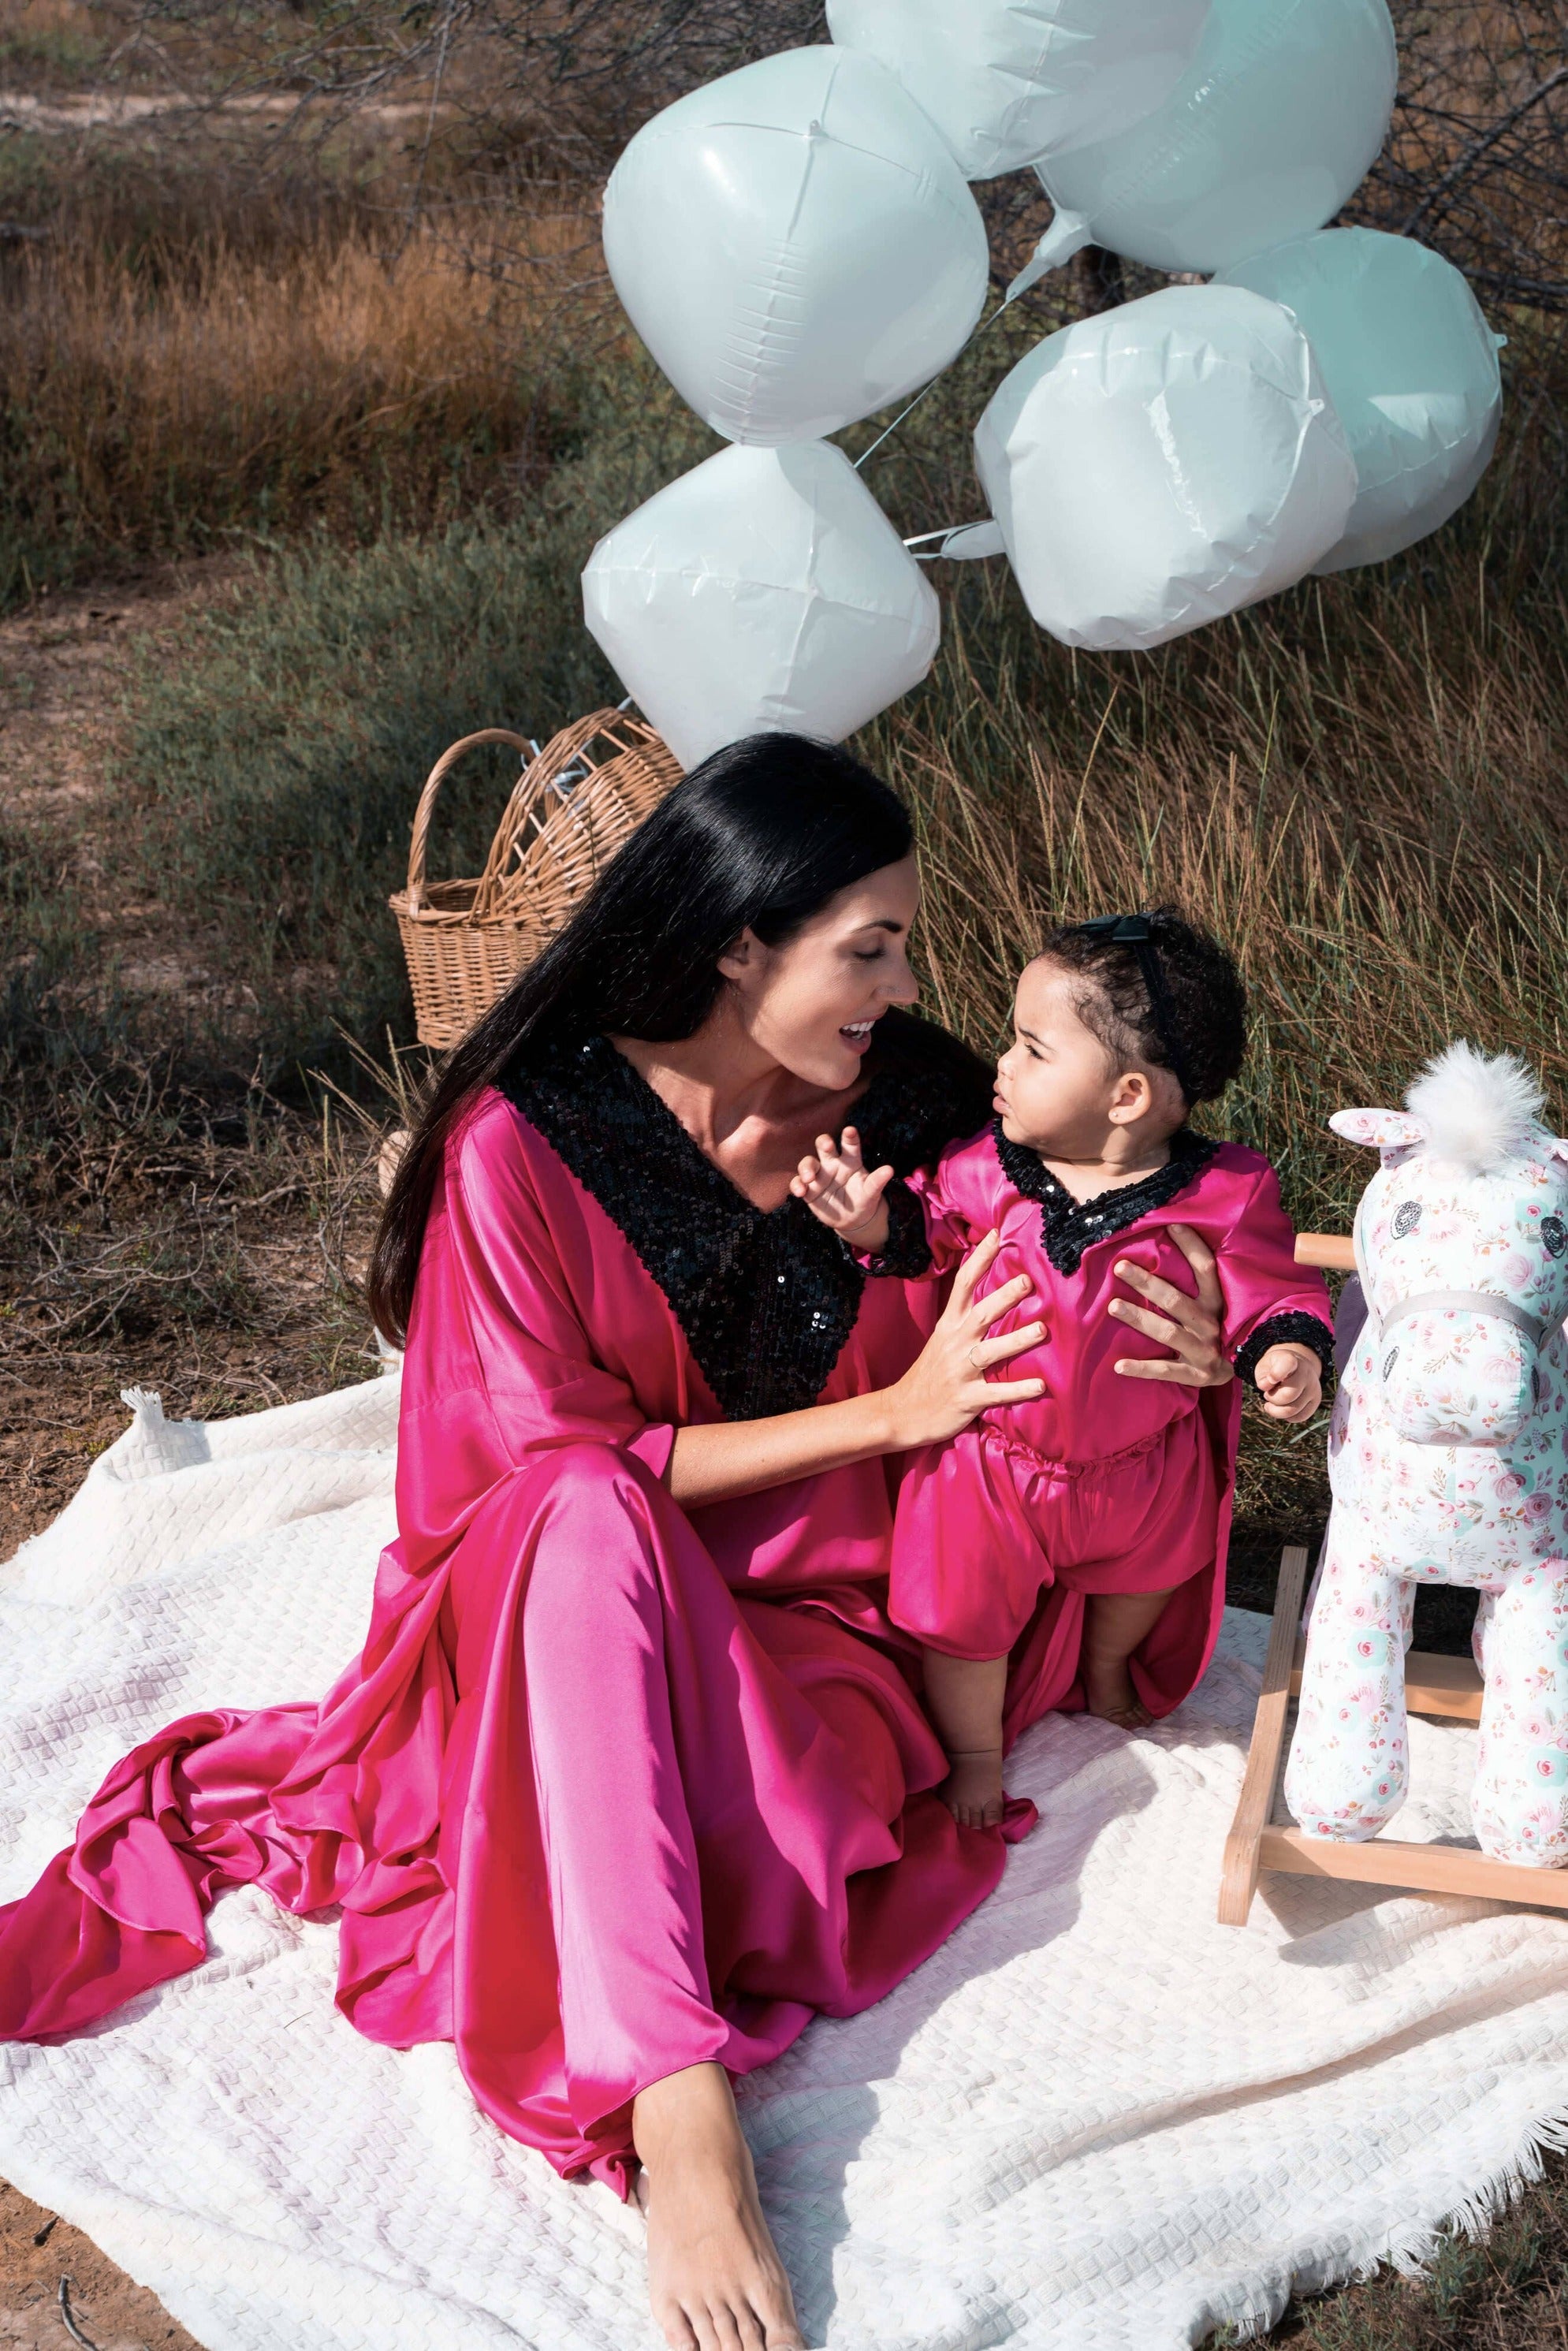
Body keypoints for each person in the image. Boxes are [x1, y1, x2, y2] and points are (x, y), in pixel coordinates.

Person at [0, 747, 1238, 2351]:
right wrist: (880, 1419)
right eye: (867, 946)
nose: (906, 983)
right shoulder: (528, 1144)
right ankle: (675, 2104)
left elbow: (1107, 1255)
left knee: (741, 1814)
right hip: (555, 1622)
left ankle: (657, 2005)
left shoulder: (936, 1117)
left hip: (831, 1635)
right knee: (583, 1510)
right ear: (738, 942)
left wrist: (1188, 1344)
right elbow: (505, 1483)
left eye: (908, 946)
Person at [794, 911, 1334, 1830]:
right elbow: (929, 1239)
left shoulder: (1223, 1193)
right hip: (992, 1465)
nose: (1000, 1065)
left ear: (1125, 1096)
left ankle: (1109, 1668)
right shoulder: (987, 1169)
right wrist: (865, 1225)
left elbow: (1270, 1284)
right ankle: (975, 1753)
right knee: (963, 1621)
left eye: (1032, 1049)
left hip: (1142, 1463)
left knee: (1150, 1573)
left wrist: (1286, 1352)